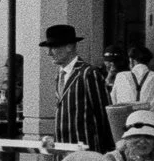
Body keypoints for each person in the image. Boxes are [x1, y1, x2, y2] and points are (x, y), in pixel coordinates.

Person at [41, 23, 111, 154]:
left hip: (85, 153)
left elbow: (103, 114)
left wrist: (106, 151)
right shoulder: (60, 75)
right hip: (63, 152)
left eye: (53, 47)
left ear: (69, 46)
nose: (49, 53)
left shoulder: (88, 73)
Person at [110, 42, 154, 115]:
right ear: (149, 62)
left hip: (126, 123)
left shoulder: (120, 76)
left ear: (132, 61)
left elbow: (114, 103)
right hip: (150, 123)